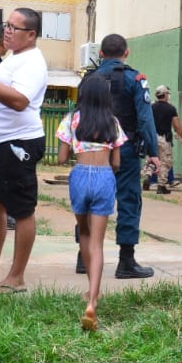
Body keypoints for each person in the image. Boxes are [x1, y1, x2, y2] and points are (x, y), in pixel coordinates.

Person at [79, 34, 160, 279]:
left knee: (90, 199)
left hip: (91, 150)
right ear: (126, 53)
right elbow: (145, 119)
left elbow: (77, 116)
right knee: (128, 200)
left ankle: (84, 258)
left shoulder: (88, 80)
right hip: (124, 150)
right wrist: (153, 152)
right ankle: (126, 261)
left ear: (101, 54)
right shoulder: (135, 79)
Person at [0, 8, 50, 291]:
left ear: (31, 34)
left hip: (18, 142)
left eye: (14, 27)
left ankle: (17, 276)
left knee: (22, 210)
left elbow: (20, 101)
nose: (6, 31)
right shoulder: (14, 58)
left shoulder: (32, 62)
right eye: (6, 25)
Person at [56, 76, 127, 330]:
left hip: (79, 176)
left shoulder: (71, 120)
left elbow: (61, 158)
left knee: (83, 233)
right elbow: (117, 162)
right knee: (98, 243)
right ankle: (92, 301)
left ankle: (90, 289)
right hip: (104, 176)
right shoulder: (112, 122)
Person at [144, 85, 182, 195]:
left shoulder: (151, 107)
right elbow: (177, 126)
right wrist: (181, 135)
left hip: (152, 137)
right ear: (165, 94)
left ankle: (147, 176)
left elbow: (146, 121)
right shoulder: (171, 108)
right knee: (165, 162)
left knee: (151, 159)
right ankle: (161, 186)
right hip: (164, 139)